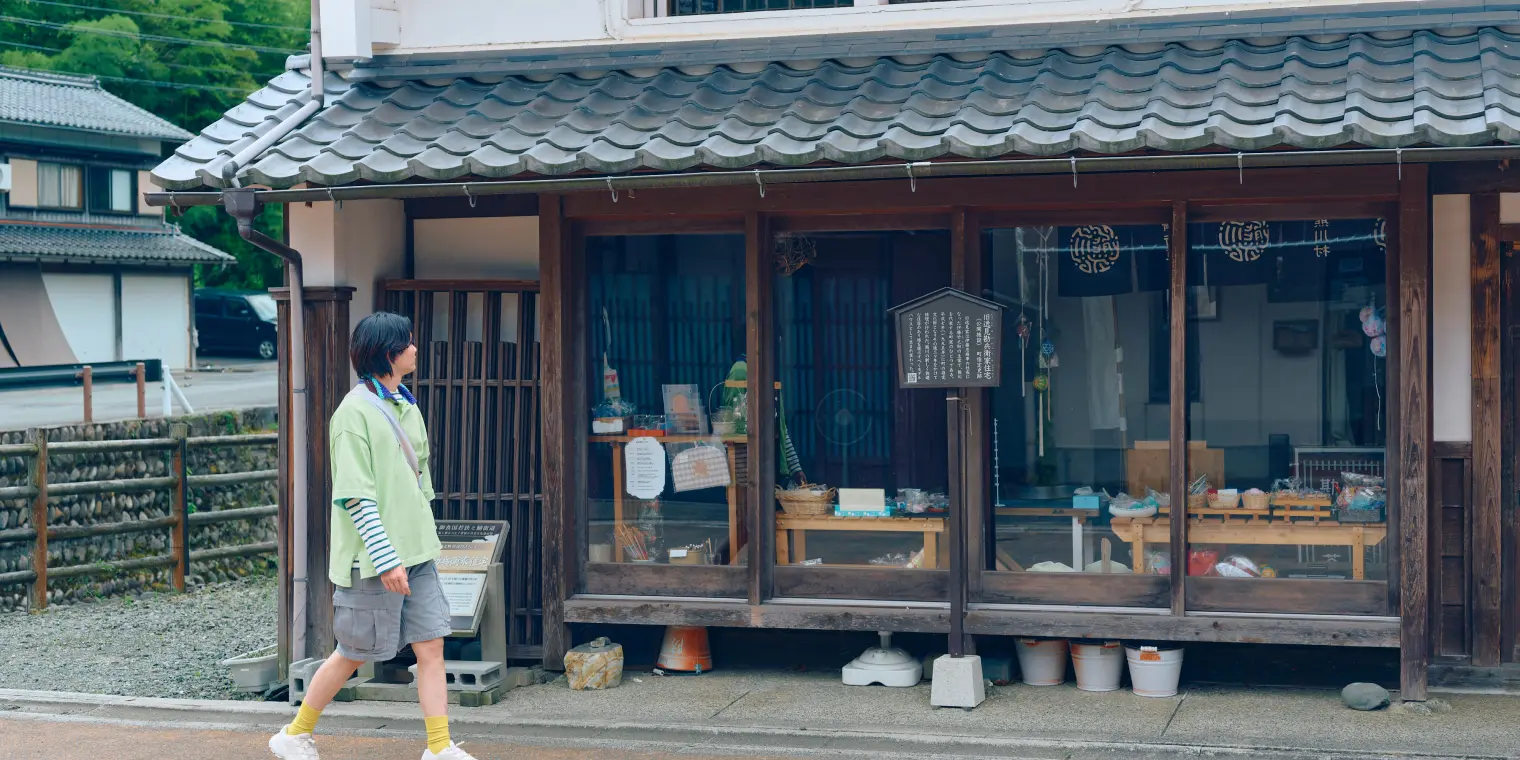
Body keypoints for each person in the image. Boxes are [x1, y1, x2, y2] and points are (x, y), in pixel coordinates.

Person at [269, 311, 477, 760]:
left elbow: (418, 476)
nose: (416, 349)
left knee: (431, 646)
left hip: (417, 552)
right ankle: (295, 733)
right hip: (373, 559)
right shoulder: (352, 414)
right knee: (354, 652)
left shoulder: (406, 403)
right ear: (389, 352)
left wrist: (419, 537)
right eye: (408, 342)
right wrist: (386, 558)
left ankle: (440, 748)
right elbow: (355, 497)